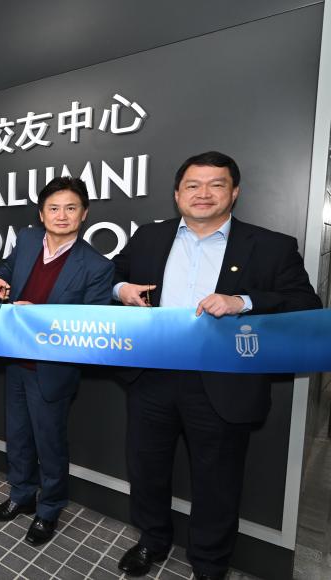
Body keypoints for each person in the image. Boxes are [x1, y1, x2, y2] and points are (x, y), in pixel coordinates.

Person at [112, 152, 321, 579]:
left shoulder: (271, 246)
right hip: (152, 376)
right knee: (147, 468)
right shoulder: (150, 237)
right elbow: (113, 274)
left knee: (217, 481)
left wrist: (242, 302)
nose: (203, 194)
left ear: (235, 192)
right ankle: (152, 540)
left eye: (216, 184)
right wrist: (121, 289)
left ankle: (209, 563)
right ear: (177, 194)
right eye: (192, 185)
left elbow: (306, 306)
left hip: (224, 384)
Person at [0, 177, 113, 545]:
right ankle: (21, 496)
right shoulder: (26, 240)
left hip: (53, 370)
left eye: (71, 208)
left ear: (84, 214)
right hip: (15, 361)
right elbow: (7, 269)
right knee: (19, 437)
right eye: (54, 208)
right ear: (41, 214)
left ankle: (49, 508)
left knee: (50, 443)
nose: (62, 215)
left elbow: (91, 325)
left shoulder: (96, 266)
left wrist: (38, 314)